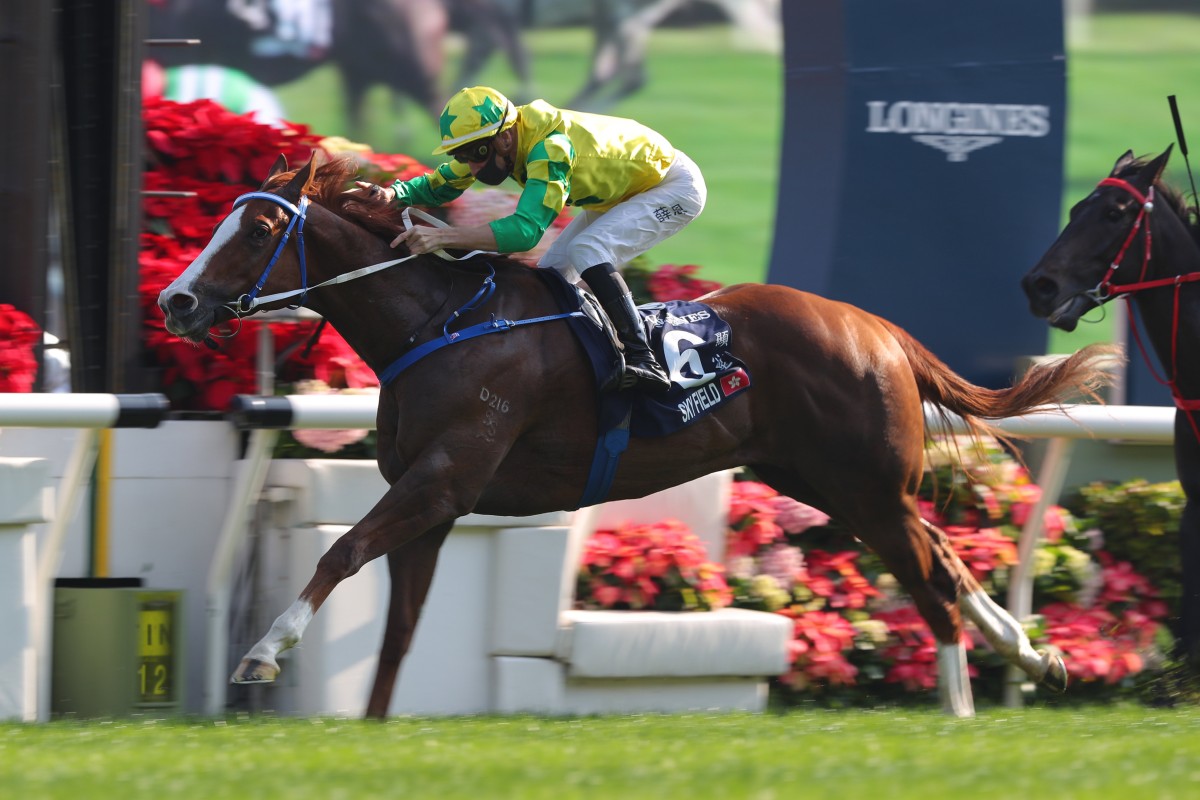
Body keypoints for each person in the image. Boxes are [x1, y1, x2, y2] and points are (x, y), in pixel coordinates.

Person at [353, 86, 707, 393]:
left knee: (587, 249)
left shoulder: (550, 148)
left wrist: (443, 237)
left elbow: (525, 232)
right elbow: (442, 183)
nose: (471, 166)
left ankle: (643, 359)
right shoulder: (496, 138)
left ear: (506, 137)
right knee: (553, 276)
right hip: (624, 191)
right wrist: (392, 193)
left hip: (671, 187)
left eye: (476, 154)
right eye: (461, 155)